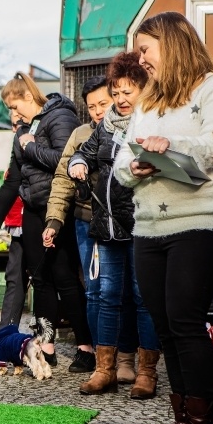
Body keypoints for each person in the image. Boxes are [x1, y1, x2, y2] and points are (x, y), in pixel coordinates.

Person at [112, 11, 213, 424]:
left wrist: (175, 147)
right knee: (165, 326)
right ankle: (183, 417)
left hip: (202, 222)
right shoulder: (147, 99)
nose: (141, 59)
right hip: (149, 226)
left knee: (185, 320)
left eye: (146, 49)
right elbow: (120, 163)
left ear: (171, 42)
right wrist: (136, 167)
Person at [0, 72, 93, 372]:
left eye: (16, 107)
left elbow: (66, 161)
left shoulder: (60, 117)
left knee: (65, 278)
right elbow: (12, 181)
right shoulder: (25, 130)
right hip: (31, 209)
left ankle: (86, 346)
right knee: (40, 280)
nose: (13, 115)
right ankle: (46, 344)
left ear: (29, 97)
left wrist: (30, 146)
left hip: (58, 209)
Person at [67, 52, 160, 399]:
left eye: (127, 92)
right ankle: (104, 369)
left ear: (143, 90)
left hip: (141, 223)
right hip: (106, 225)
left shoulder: (152, 122)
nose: (120, 99)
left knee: (142, 296)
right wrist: (78, 162)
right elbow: (85, 152)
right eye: (116, 92)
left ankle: (146, 372)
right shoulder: (105, 125)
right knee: (107, 297)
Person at [43, 75, 109, 365]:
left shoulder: (132, 129)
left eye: (103, 103)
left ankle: (125, 356)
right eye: (92, 106)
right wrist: (54, 221)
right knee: (94, 288)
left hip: (125, 223)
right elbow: (62, 178)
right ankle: (97, 353)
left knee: (122, 290)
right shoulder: (80, 134)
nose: (97, 111)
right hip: (85, 220)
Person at [0, 109, 29, 330]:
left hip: (38, 222)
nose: (15, 129)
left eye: (19, 124)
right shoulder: (13, 155)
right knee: (15, 279)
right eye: (13, 125)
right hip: (17, 225)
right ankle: (6, 331)